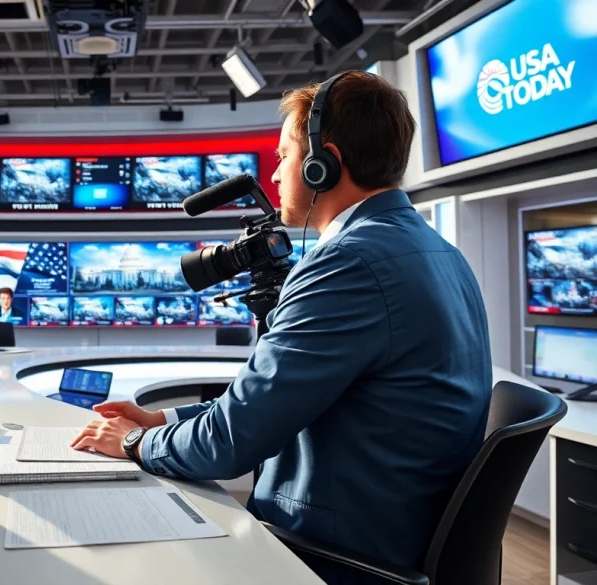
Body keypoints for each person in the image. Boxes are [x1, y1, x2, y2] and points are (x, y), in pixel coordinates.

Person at [70, 71, 492, 584]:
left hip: (332, 554)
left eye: (283, 156)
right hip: (393, 530)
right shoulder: (438, 252)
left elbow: (229, 444)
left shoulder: (348, 263)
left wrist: (133, 444)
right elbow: (270, 401)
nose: (273, 175)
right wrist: (162, 422)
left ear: (324, 164)